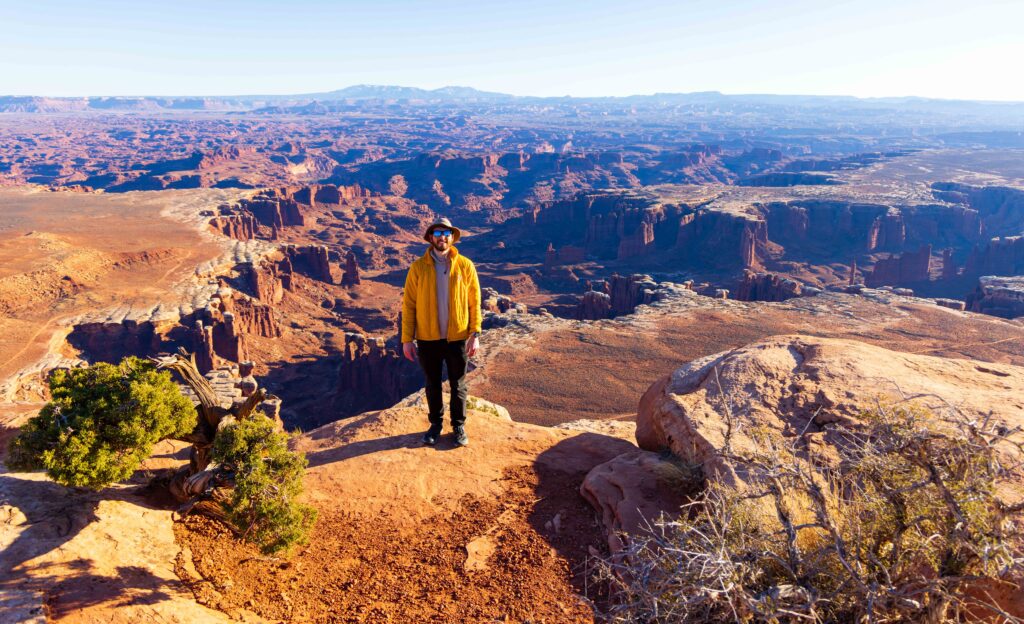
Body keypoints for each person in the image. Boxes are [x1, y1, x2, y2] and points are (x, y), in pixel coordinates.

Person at [401, 217, 481, 446]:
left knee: (458, 384)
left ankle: (458, 427)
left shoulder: (465, 266)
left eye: (446, 233)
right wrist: (407, 339)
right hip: (428, 337)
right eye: (437, 233)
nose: (442, 237)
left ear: (453, 237)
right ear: (430, 238)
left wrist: (475, 333)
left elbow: (475, 302)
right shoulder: (418, 268)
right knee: (432, 383)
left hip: (457, 336)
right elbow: (409, 305)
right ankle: (435, 425)